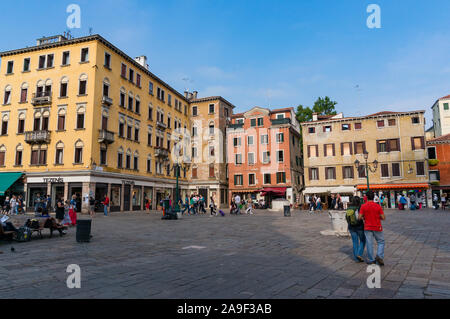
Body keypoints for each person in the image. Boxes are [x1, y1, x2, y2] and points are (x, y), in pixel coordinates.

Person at [359, 191, 386, 266]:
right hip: (377, 226)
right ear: (374, 197)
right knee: (381, 241)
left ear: (366, 197)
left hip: (367, 227)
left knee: (369, 243)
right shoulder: (377, 206)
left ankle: (371, 259)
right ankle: (379, 256)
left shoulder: (363, 206)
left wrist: (364, 217)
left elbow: (359, 217)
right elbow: (383, 217)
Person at [346, 196, 366, 263]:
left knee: (355, 242)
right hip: (359, 226)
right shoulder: (360, 207)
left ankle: (356, 258)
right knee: (363, 240)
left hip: (351, 226)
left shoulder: (349, 207)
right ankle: (359, 254)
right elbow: (361, 217)